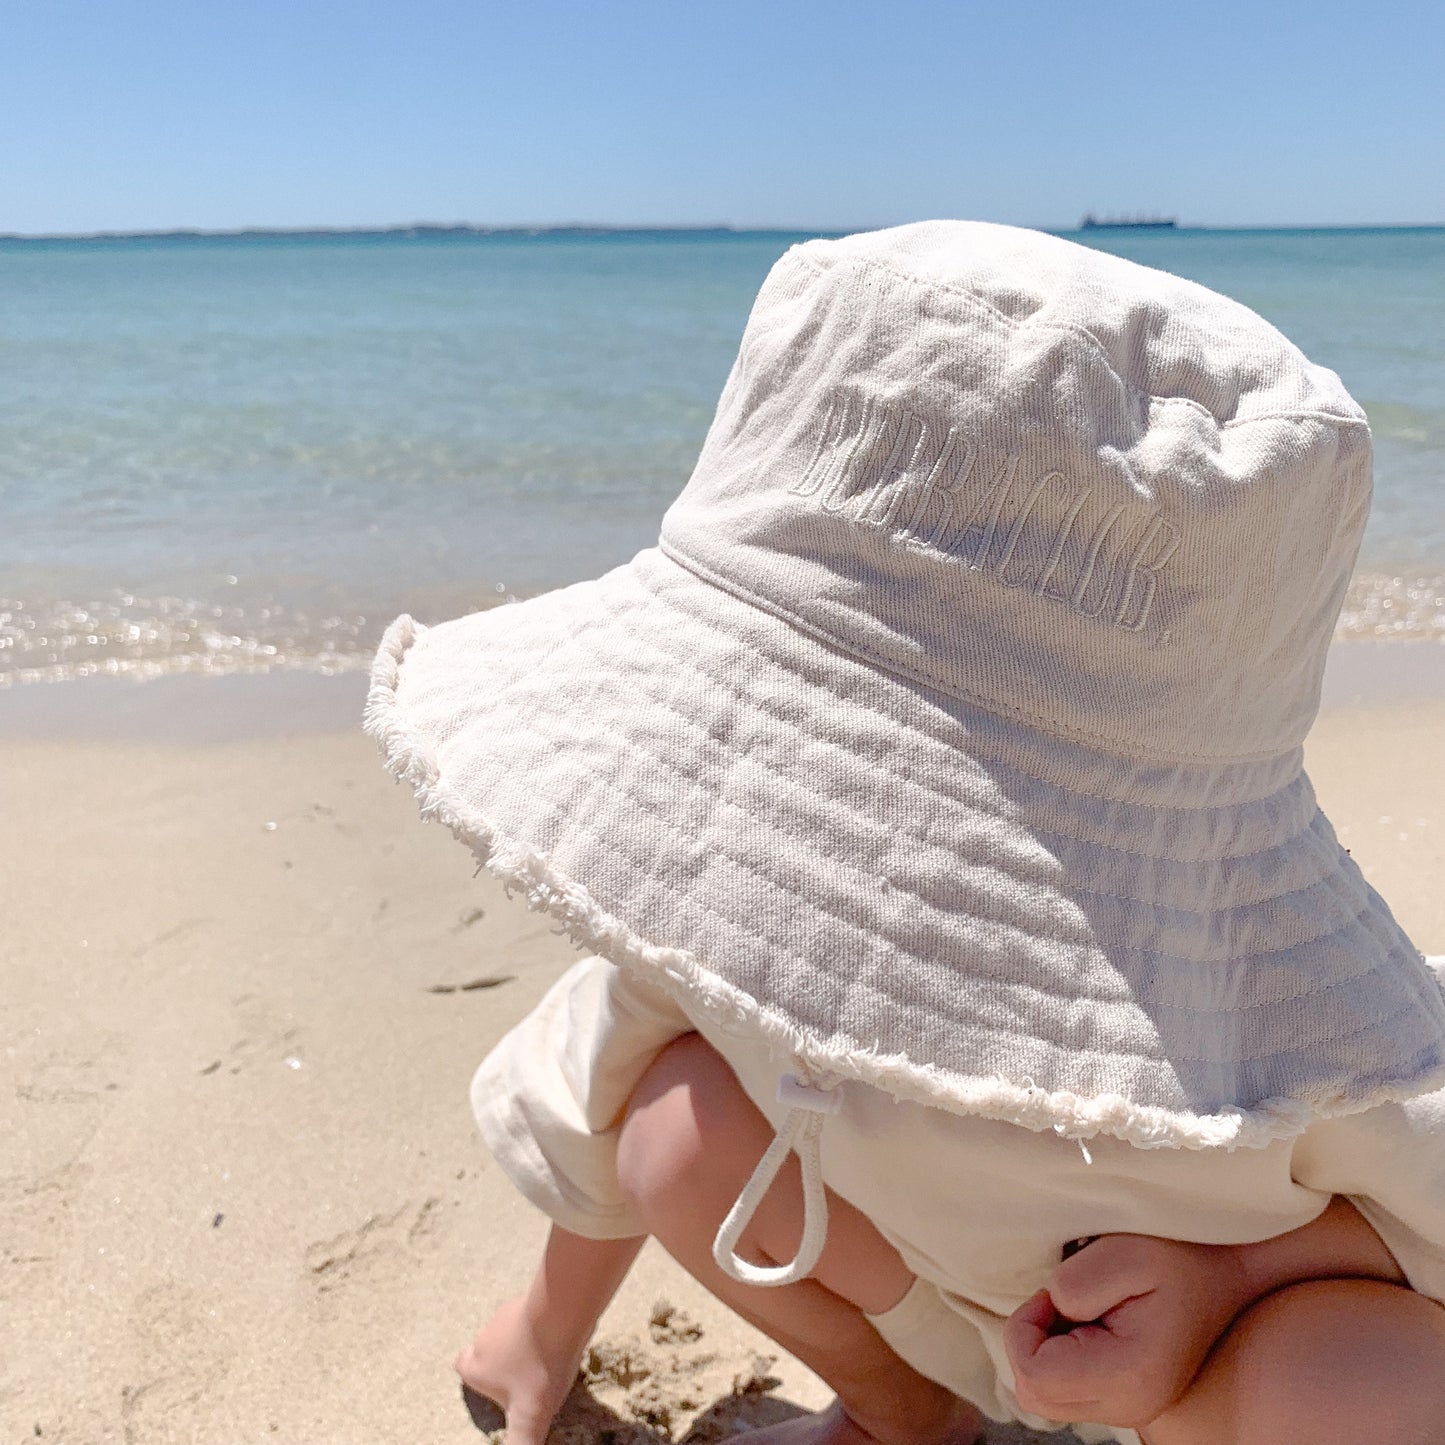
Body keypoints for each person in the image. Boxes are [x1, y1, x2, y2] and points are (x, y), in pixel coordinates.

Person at [366, 221, 1445, 1445]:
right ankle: (902, 1418)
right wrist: (540, 1334)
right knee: (671, 1128)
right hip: (940, 1317)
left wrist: (1227, 1284)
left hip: (1198, 1380)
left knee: (1336, 1381)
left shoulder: (1268, 1035)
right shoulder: (730, 894)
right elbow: (592, 1097)